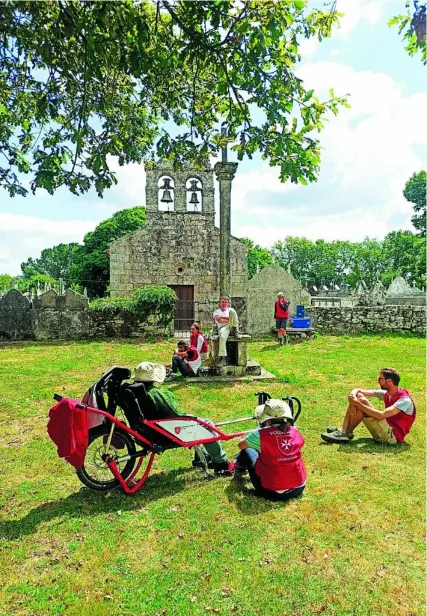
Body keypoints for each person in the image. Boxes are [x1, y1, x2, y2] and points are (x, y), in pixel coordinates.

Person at [133, 362, 235, 474]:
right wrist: (189, 417)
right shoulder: (154, 393)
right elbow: (175, 414)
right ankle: (221, 463)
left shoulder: (136, 392)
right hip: (169, 431)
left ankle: (203, 457)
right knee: (207, 425)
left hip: (150, 431)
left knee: (201, 424)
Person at [234, 398, 306, 501]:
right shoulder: (294, 430)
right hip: (299, 487)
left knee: (247, 451)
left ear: (266, 419)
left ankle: (239, 468)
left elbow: (241, 445)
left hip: (274, 492)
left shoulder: (259, 434)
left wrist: (247, 438)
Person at [320, 367, 416, 444]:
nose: (378, 381)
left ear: (389, 381)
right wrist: (353, 397)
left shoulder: (404, 400)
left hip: (392, 437)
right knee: (359, 396)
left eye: (380, 379)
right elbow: (358, 390)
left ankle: (344, 432)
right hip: (384, 430)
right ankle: (345, 432)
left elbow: (381, 415)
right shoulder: (387, 394)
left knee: (361, 400)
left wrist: (356, 402)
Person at [212, 296, 241, 361]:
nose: (224, 304)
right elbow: (220, 321)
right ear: (220, 303)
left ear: (228, 303)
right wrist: (228, 318)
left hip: (232, 325)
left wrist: (222, 317)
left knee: (233, 311)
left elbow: (223, 319)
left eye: (225, 302)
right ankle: (222, 355)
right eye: (222, 302)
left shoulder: (230, 310)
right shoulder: (216, 312)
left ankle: (235, 330)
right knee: (222, 337)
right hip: (223, 328)